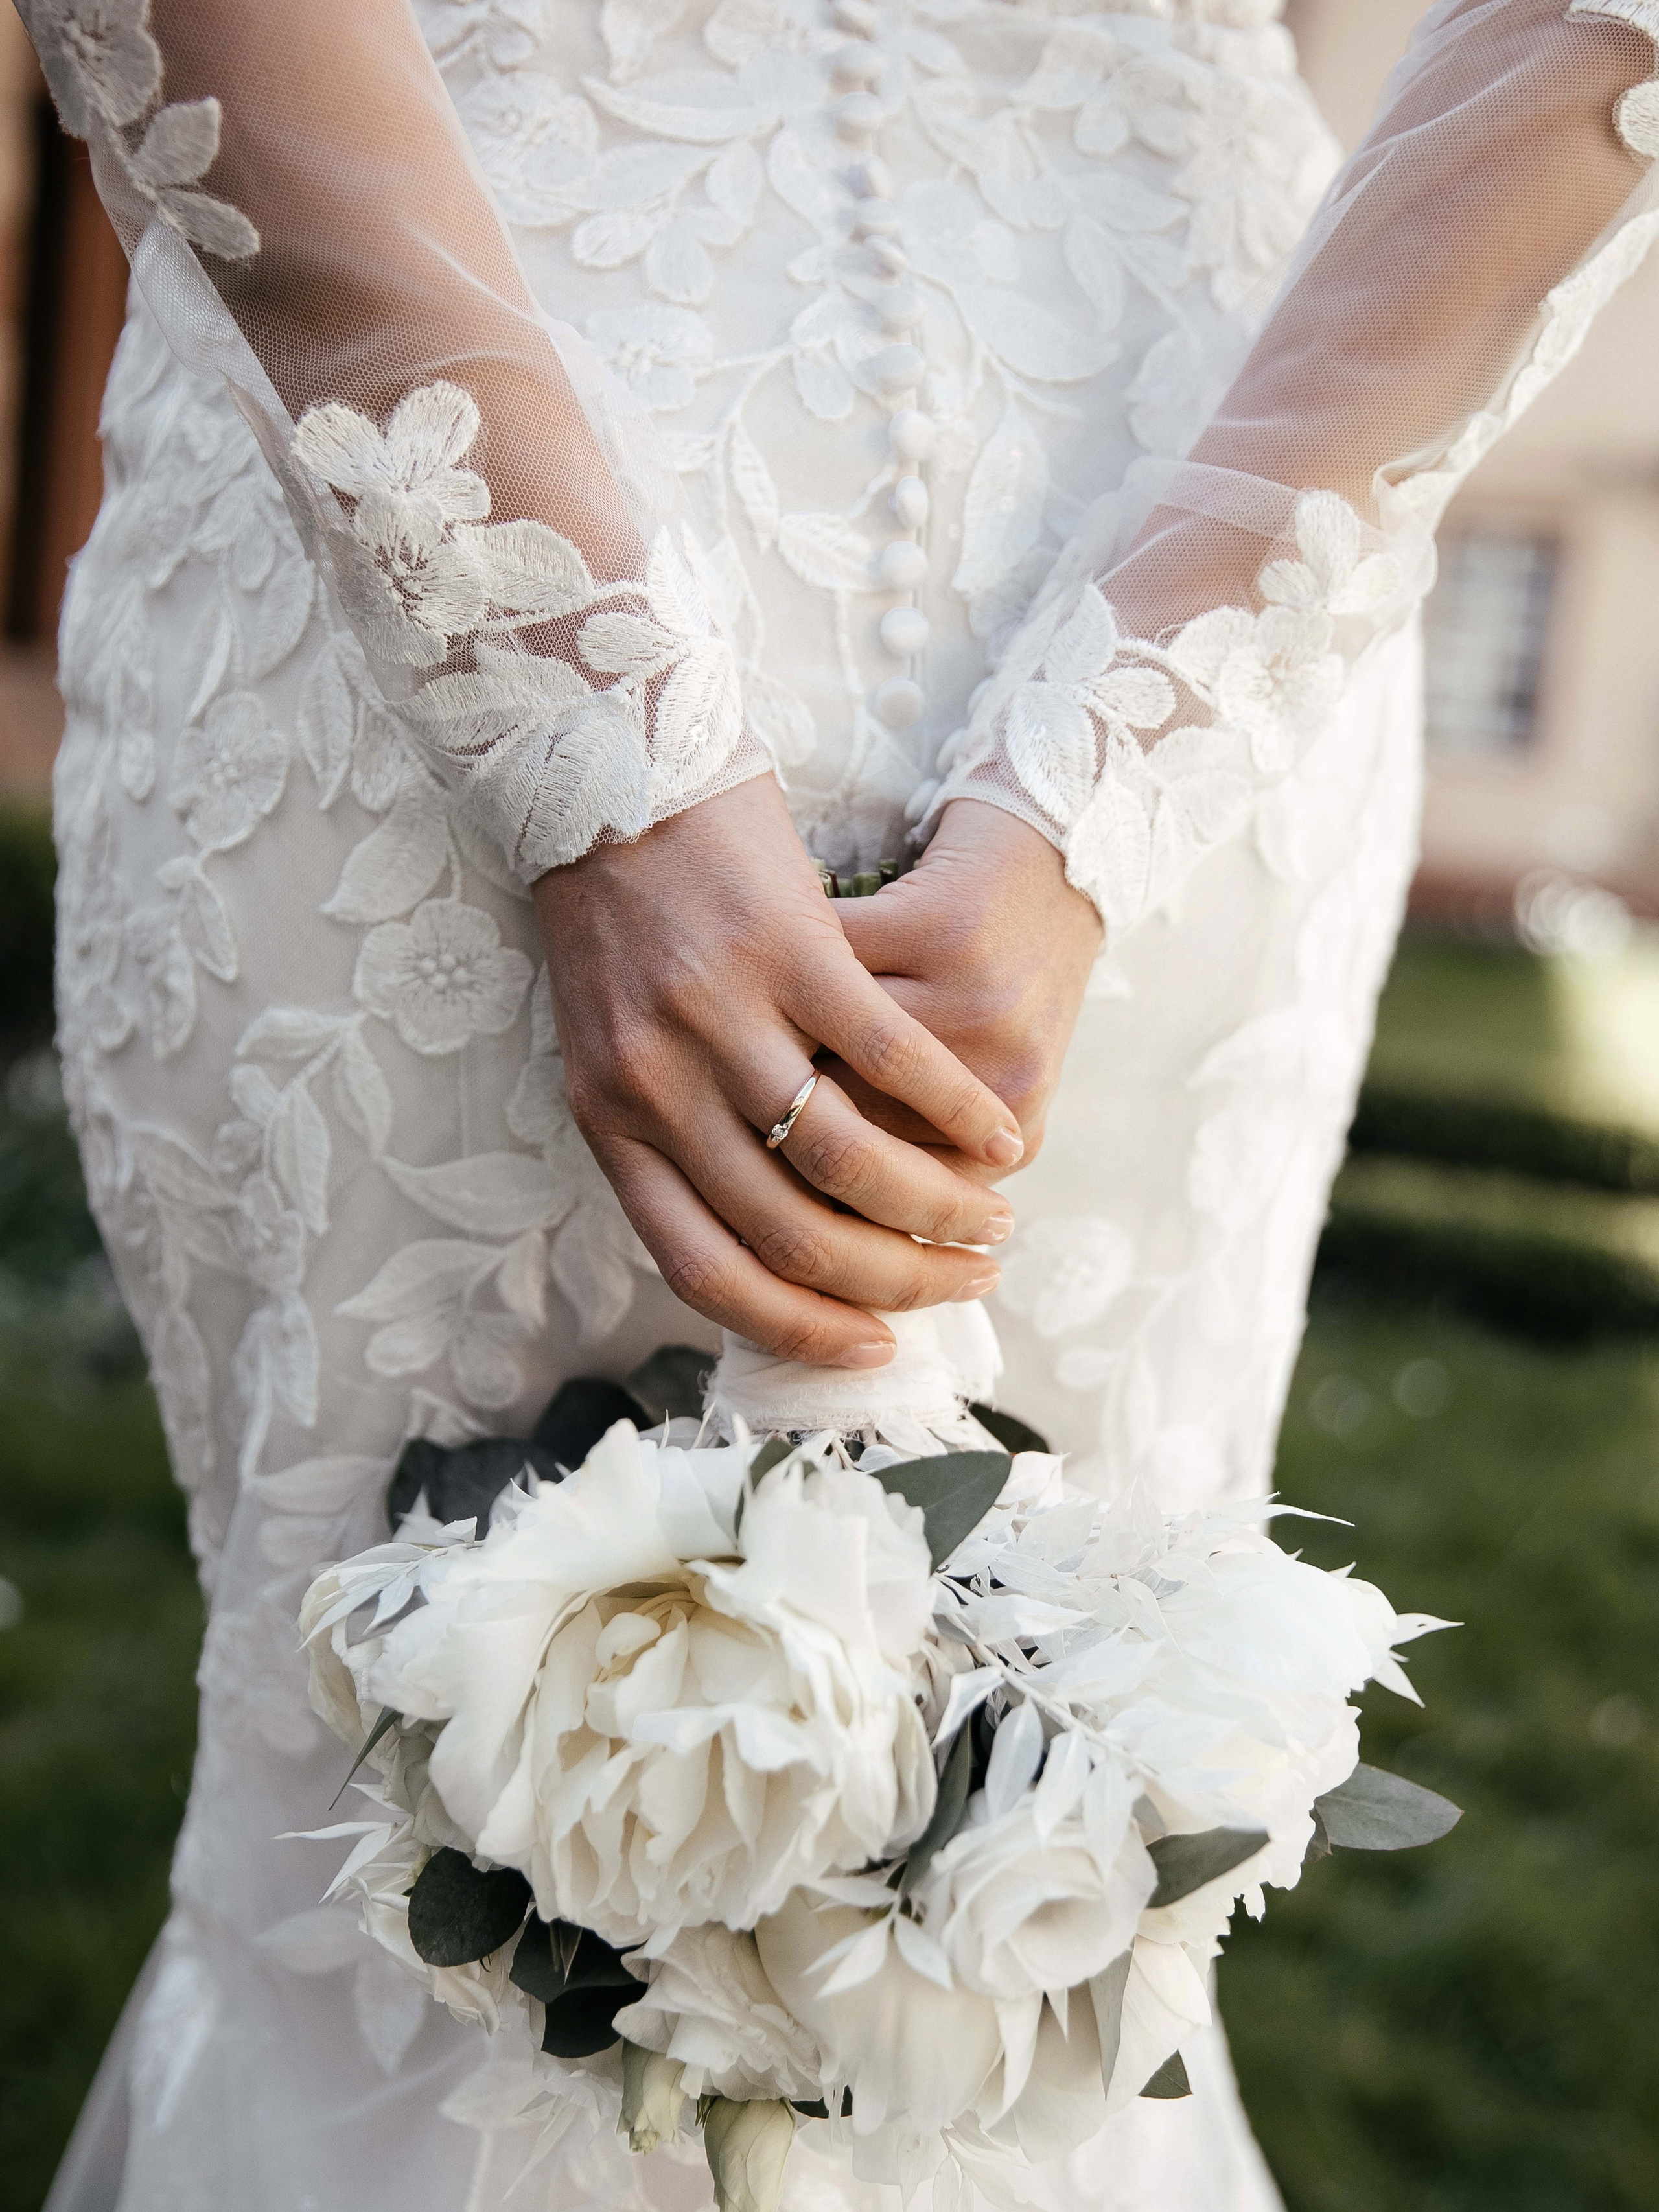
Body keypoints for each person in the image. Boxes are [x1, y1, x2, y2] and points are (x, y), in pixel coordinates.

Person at [21, 0, 1659, 2206]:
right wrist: (1129, 725)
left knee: (1040, 1854)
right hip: (1122, 492)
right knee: (387, 1845)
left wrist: (580, 697)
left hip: (498, 450)